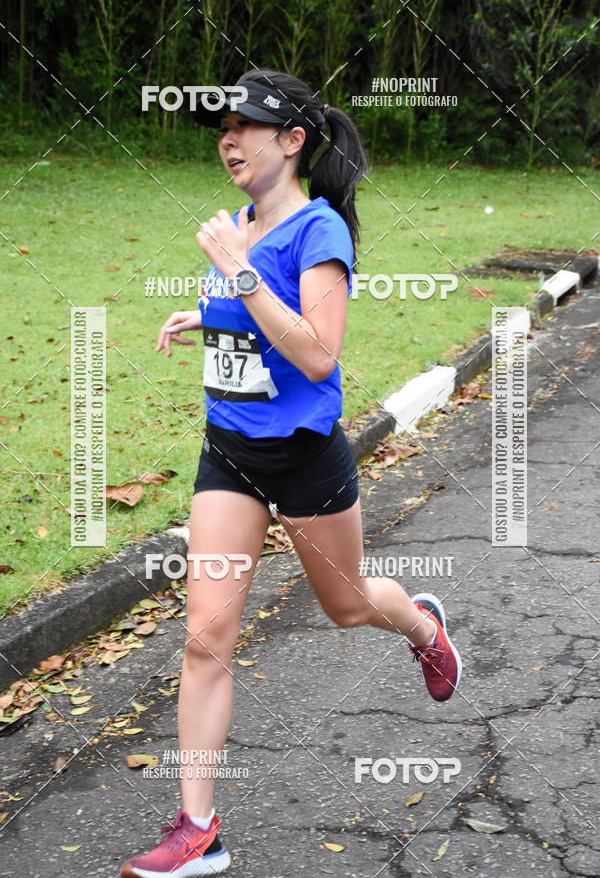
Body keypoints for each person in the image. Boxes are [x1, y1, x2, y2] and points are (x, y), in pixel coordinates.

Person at [121, 69, 461, 878]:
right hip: (229, 454)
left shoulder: (319, 233)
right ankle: (199, 829)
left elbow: (316, 350)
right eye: (223, 125)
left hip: (305, 458)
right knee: (206, 636)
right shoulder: (239, 223)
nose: (228, 138)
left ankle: (421, 625)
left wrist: (238, 274)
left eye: (246, 125)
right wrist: (208, 312)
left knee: (347, 606)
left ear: (293, 140)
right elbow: (256, 316)